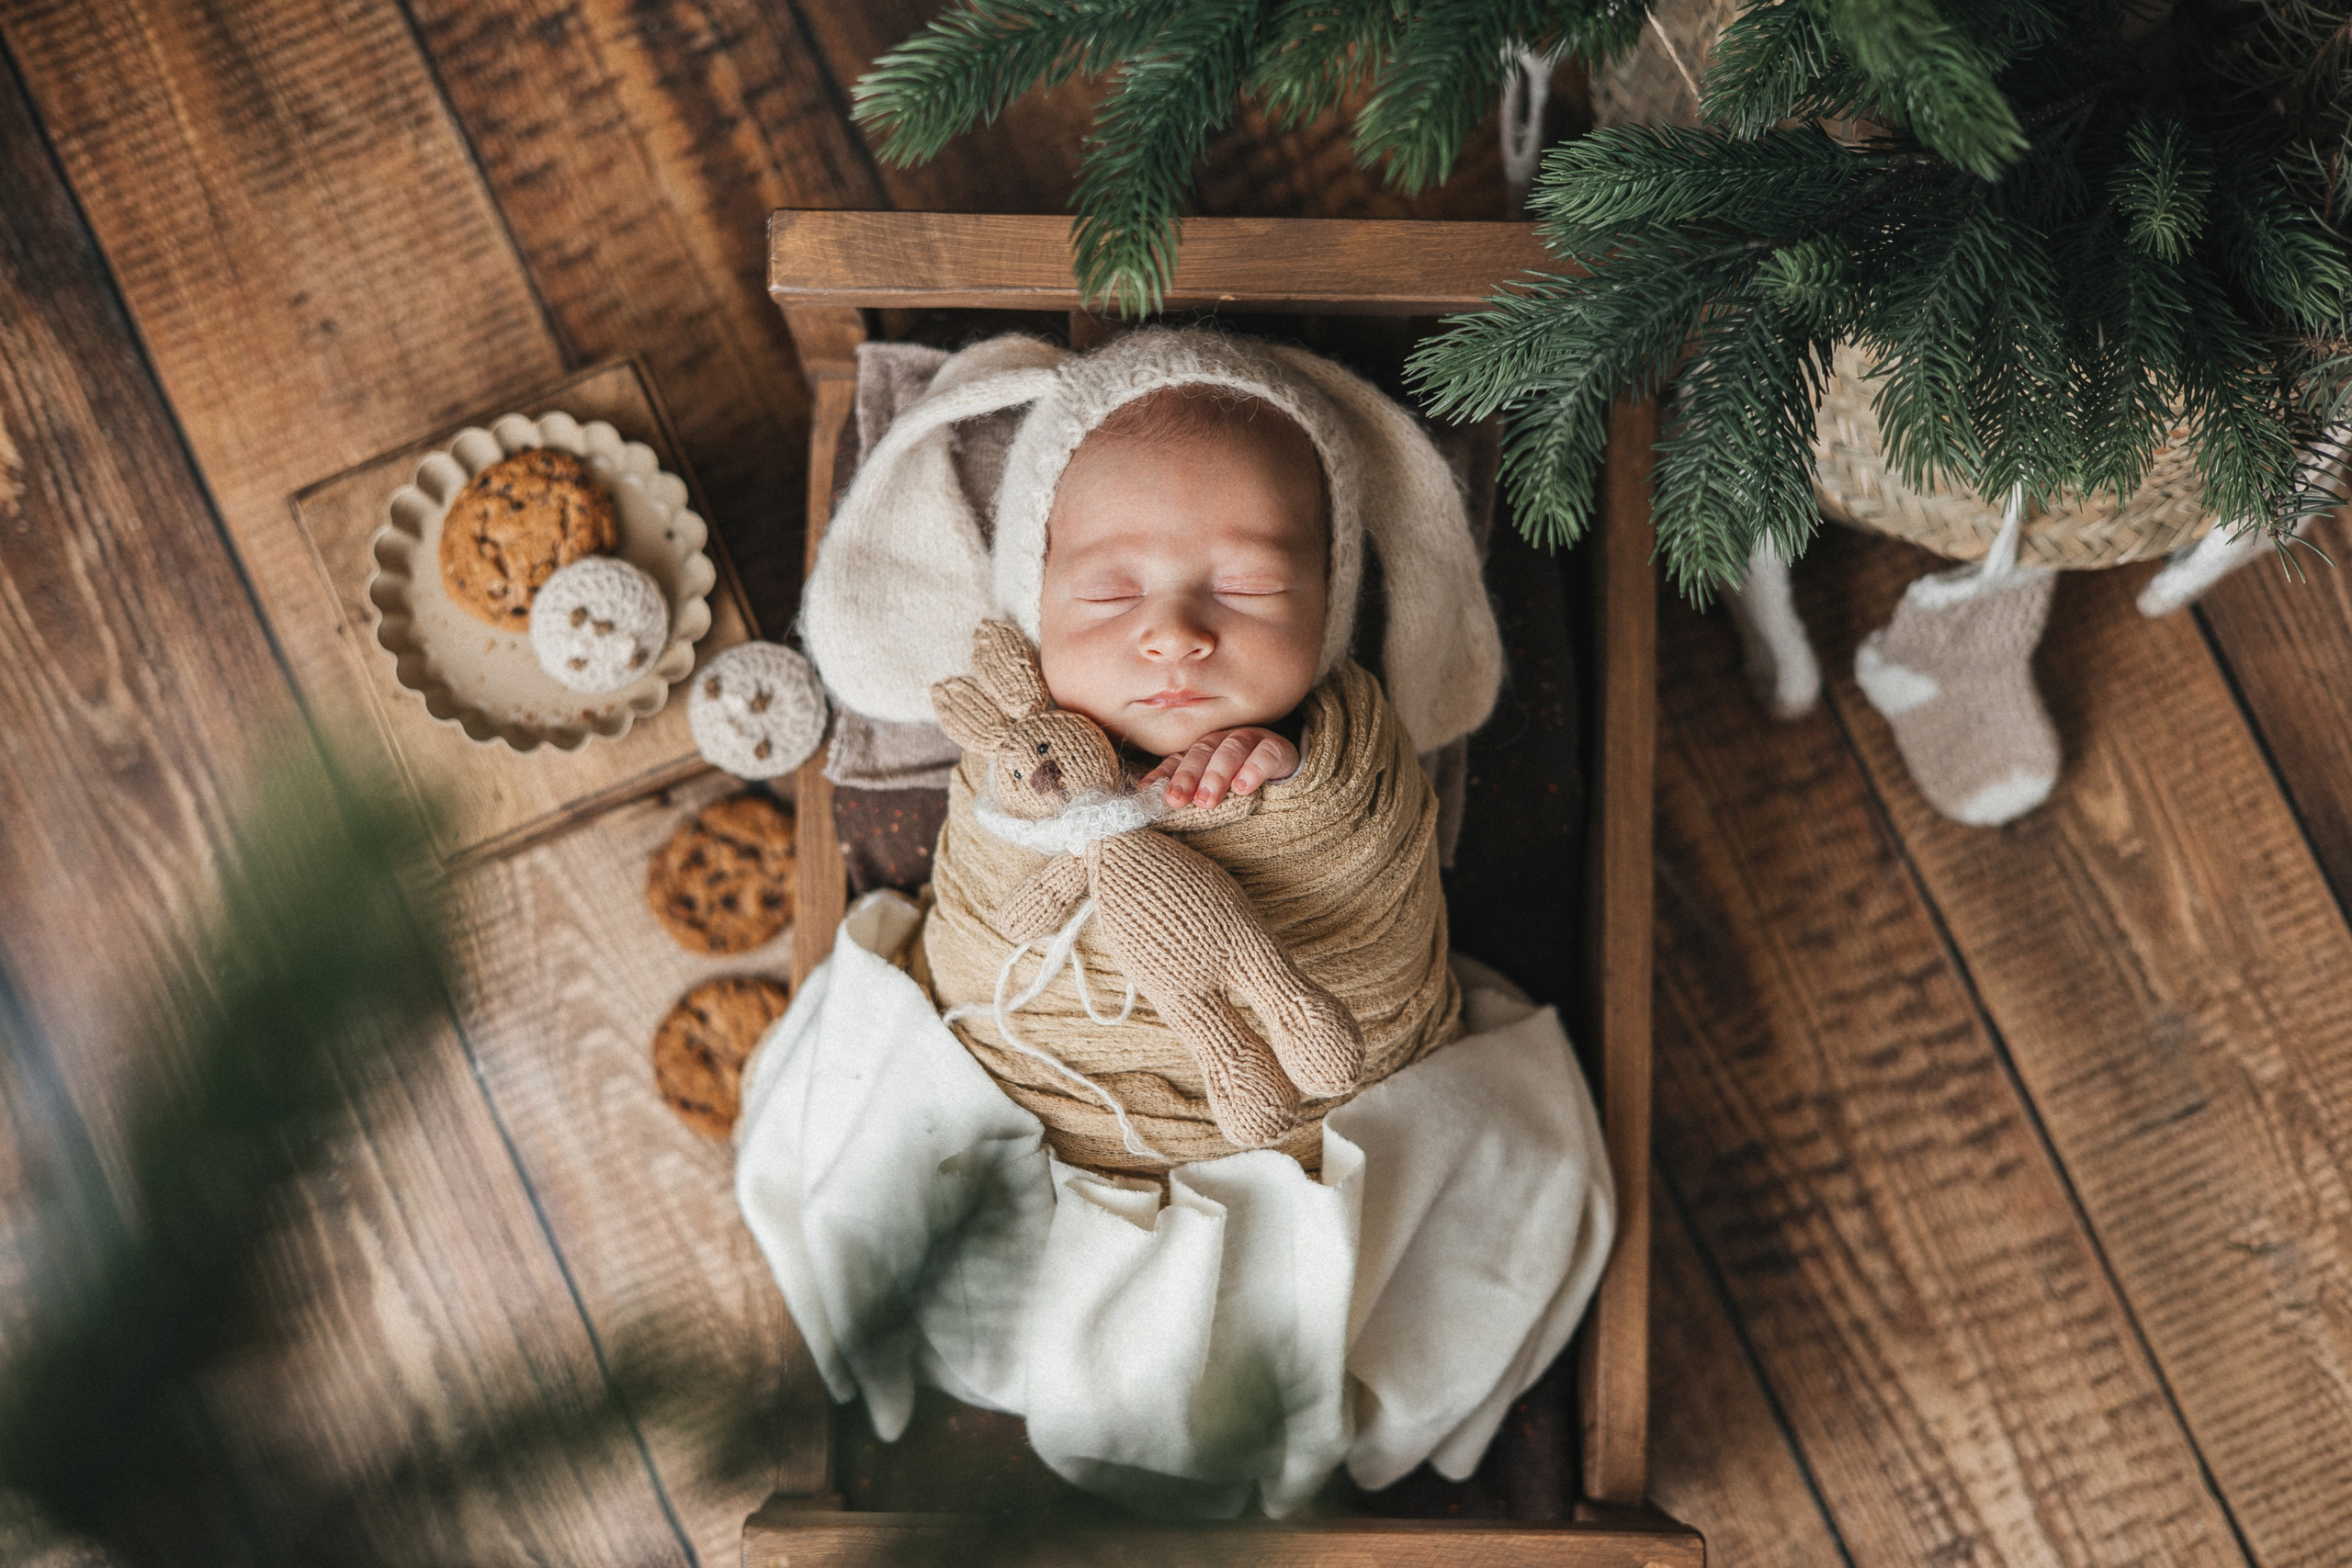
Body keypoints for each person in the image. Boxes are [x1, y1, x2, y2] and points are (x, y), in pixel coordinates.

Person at [738, 327, 1613, 1517]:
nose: (1178, 633)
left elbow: (1378, 877)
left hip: (1299, 1126)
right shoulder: (1013, 753)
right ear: (1031, 599)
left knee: (1465, 1171)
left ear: (1333, 600)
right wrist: (1057, 809)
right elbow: (990, 904)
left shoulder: (1345, 761)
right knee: (891, 1154)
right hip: (1043, 1108)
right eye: (1111, 590)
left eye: (1248, 585)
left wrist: (1297, 792)